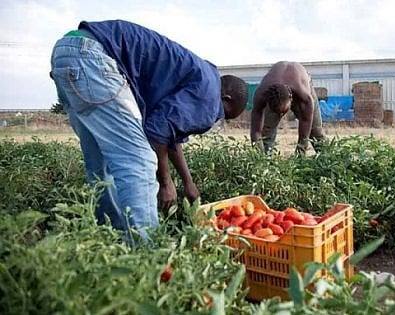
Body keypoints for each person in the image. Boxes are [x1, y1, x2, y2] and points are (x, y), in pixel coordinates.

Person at [50, 20, 248, 238]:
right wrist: (166, 182)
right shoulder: (210, 98)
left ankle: (111, 241)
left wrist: (188, 183)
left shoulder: (202, 78)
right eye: (223, 115)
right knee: (140, 162)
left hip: (68, 51)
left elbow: (170, 133)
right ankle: (147, 256)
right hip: (94, 58)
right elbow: (157, 131)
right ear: (226, 99)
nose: (215, 119)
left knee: (101, 165)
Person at [250, 61, 325, 155]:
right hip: (275, 87)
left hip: (301, 80)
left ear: (291, 98)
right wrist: (258, 155)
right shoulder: (261, 94)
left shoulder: (305, 96)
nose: (282, 115)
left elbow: (306, 122)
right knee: (267, 132)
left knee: (315, 131)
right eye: (277, 112)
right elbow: (256, 131)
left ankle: (327, 159)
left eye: (283, 111)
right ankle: (266, 160)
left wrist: (300, 152)